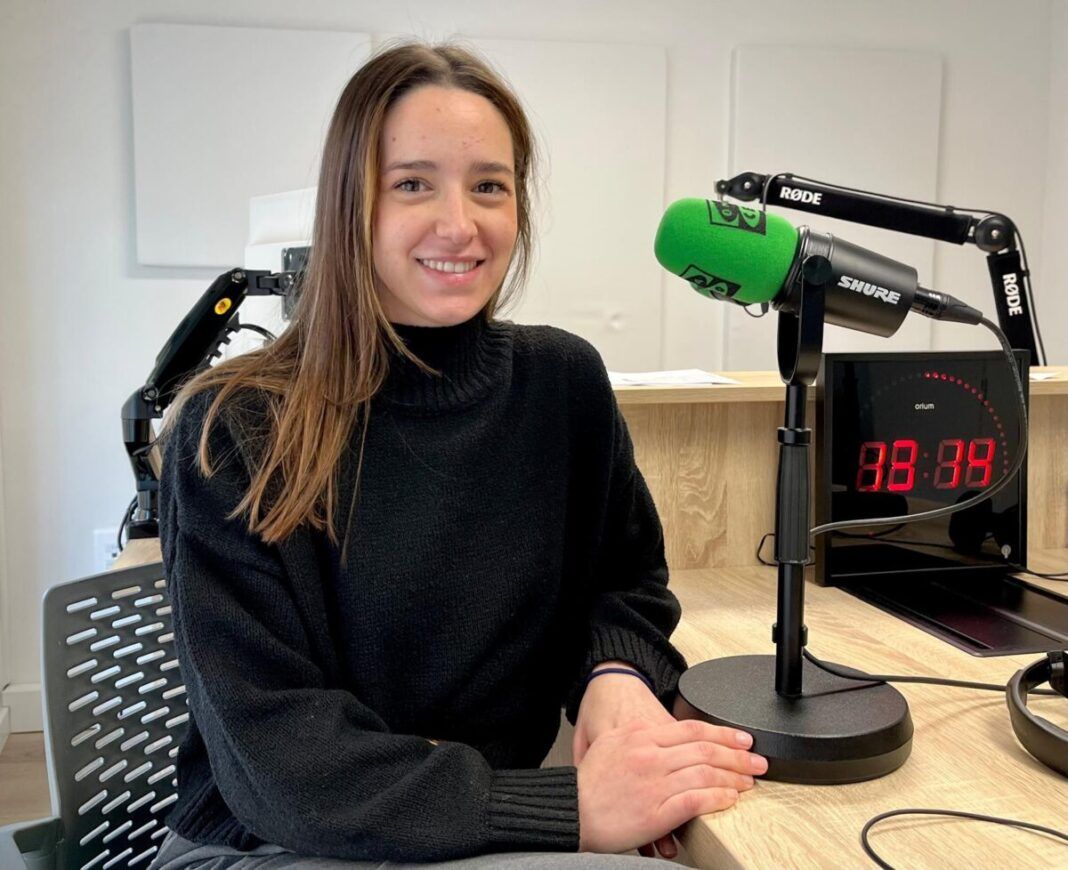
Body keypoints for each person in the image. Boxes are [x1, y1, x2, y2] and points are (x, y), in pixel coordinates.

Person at [150, 41, 766, 870]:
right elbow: (279, 761)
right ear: (350, 204)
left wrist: (615, 674)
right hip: (275, 839)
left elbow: (626, 581)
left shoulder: (562, 382)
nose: (459, 224)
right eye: (413, 184)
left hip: (466, 819)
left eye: (489, 186)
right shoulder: (237, 425)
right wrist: (572, 807)